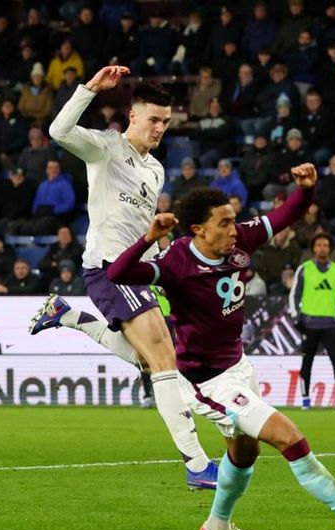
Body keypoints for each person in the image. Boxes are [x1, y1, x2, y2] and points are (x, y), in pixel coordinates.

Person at [106, 164, 335, 530]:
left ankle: (216, 526)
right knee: (289, 438)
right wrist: (149, 238)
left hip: (238, 366)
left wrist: (307, 190)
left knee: (244, 453)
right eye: (225, 223)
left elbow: (288, 213)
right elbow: (117, 273)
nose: (235, 228)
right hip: (206, 381)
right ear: (199, 230)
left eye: (234, 220)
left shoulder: (239, 240)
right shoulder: (176, 263)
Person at [29, 66, 217, 489]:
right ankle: (197, 464)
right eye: (153, 119)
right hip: (109, 269)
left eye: (166, 122)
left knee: (153, 363)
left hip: (139, 274)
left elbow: (142, 229)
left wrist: (165, 266)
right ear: (133, 116)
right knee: (165, 360)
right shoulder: (106, 148)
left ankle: (68, 315)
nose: (160, 128)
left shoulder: (156, 170)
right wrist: (91, 89)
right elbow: (59, 131)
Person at [290, 232, 335, 411]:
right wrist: (296, 317)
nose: (322, 248)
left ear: (330, 249)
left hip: (331, 325)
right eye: (319, 245)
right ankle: (305, 399)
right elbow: (294, 295)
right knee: (306, 362)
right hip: (309, 324)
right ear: (313, 249)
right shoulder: (304, 269)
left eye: (325, 245)